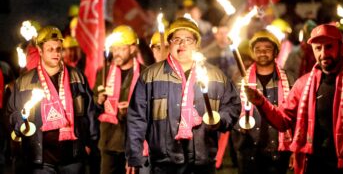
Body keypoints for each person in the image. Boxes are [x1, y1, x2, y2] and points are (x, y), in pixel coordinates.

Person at [126, 17, 241, 174]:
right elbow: (136, 117)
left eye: (188, 40)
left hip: (202, 161)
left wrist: (220, 120)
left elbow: (233, 105)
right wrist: (134, 155)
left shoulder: (215, 75)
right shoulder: (150, 76)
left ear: (197, 45)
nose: (182, 44)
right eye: (177, 39)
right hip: (164, 163)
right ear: (169, 44)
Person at [245, 24, 343, 174]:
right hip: (314, 162)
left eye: (328, 47)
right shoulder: (303, 84)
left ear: (340, 47)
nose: (323, 53)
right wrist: (261, 103)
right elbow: (282, 120)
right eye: (318, 48)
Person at [7, 26, 98, 173]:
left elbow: (90, 112)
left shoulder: (77, 77)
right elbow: (11, 113)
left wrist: (90, 143)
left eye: (58, 49)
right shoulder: (24, 82)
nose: (56, 53)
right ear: (40, 51)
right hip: (41, 160)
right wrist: (19, 121)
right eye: (50, 49)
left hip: (73, 157)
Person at [231, 30, 295, 174]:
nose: (262, 53)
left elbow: (295, 116)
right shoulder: (240, 81)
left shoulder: (289, 80)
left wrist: (294, 149)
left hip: (279, 150)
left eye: (267, 49)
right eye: (258, 50)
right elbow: (232, 112)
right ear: (252, 52)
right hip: (248, 149)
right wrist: (239, 125)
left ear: (276, 52)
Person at [94, 25, 146, 174]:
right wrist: (98, 100)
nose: (116, 53)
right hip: (109, 141)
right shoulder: (104, 73)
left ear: (132, 48)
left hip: (134, 143)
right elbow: (92, 107)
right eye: (114, 49)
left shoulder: (145, 73)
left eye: (121, 48)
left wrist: (132, 109)